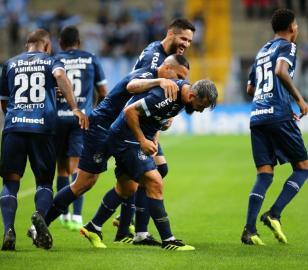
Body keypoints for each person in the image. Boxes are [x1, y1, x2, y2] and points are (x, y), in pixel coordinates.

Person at [34, 54, 189, 248]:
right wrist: (161, 80)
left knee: (130, 186)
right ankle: (41, 225)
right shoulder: (147, 74)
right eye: (178, 75)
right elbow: (131, 87)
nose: (179, 81)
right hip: (102, 127)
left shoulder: (166, 87)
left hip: (122, 133)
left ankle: (95, 227)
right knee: (83, 183)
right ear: (166, 68)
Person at [81, 79, 217, 251]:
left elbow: (156, 115)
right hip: (126, 139)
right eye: (201, 105)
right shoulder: (166, 96)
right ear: (192, 95)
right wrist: (142, 140)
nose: (200, 110)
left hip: (128, 138)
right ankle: (168, 240)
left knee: (127, 188)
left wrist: (162, 124)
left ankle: (93, 227)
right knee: (155, 181)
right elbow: (130, 111)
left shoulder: (183, 96)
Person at [0, 29, 87, 251]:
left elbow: (4, 102)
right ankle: (39, 216)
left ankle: (8, 229)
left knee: (10, 182)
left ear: (27, 45)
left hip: (14, 128)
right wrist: (75, 107)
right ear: (47, 46)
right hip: (43, 129)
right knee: (44, 182)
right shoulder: (52, 61)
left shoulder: (10, 63)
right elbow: (59, 76)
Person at [113, 18, 196, 245]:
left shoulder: (164, 56)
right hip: (132, 121)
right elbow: (133, 88)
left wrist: (161, 116)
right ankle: (128, 225)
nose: (186, 44)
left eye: (189, 40)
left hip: (146, 121)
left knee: (154, 171)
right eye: (183, 38)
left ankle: (131, 226)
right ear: (171, 33)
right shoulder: (154, 57)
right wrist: (159, 86)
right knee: (140, 176)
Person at [241, 8, 308, 245]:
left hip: (257, 116)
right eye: (297, 25)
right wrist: (298, 99)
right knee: (302, 169)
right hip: (278, 115)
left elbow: (250, 89)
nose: (298, 29)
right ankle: (274, 213)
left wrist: (273, 102)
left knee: (264, 174)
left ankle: (249, 230)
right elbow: (281, 71)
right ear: (291, 27)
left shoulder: (261, 51)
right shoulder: (288, 46)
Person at [54, 26, 107, 231]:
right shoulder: (91, 58)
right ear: (79, 42)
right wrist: (95, 110)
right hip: (81, 118)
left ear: (60, 43)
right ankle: (76, 216)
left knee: (61, 168)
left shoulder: (55, 59)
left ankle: (62, 214)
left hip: (58, 118)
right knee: (77, 167)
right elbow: (103, 91)